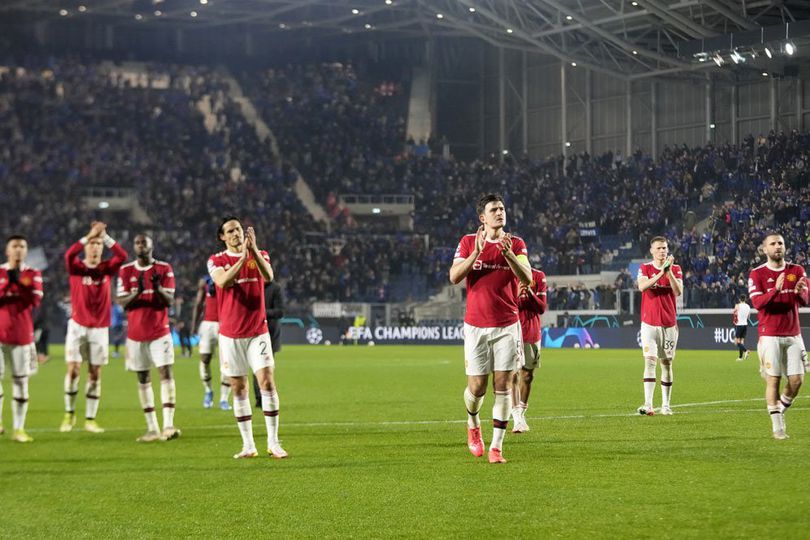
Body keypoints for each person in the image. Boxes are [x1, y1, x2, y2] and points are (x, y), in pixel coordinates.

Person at [449, 193, 531, 464]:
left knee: (504, 384)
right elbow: (454, 277)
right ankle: (473, 423)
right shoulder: (468, 242)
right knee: (477, 387)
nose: (500, 212)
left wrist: (509, 255)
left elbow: (528, 278)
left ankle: (496, 447)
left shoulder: (516, 243)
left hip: (508, 325)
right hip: (475, 326)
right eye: (494, 209)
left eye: (502, 208)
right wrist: (476, 252)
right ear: (482, 217)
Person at [208, 217, 287, 459]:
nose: (235, 234)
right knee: (239, 388)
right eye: (230, 231)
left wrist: (252, 252)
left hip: (257, 331)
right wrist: (243, 259)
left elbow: (269, 276)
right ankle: (248, 445)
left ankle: (273, 442)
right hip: (230, 335)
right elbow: (222, 281)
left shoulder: (259, 253)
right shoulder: (216, 260)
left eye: (238, 229)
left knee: (267, 382)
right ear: (222, 237)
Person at [61, 221, 127, 434]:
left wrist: (105, 236)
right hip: (77, 326)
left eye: (99, 244)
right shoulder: (77, 267)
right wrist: (89, 235)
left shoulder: (107, 269)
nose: (96, 246)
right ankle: (69, 414)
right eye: (93, 243)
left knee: (95, 373)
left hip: (99, 328)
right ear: (87, 246)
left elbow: (122, 256)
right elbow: (69, 255)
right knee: (73, 371)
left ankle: (90, 419)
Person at [117, 234, 180, 442]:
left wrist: (157, 288)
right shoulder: (126, 270)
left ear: (152, 245)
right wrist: (140, 292)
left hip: (159, 332)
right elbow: (123, 302)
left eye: (144, 242)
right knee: (143, 378)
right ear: (134, 246)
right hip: (135, 335)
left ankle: (168, 425)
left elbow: (169, 300)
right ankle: (152, 428)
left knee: (165, 372)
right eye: (137, 242)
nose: (141, 245)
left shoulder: (164, 269)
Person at [748, 233, 809, 439]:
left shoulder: (797, 270)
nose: (777, 247)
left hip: (793, 333)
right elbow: (757, 303)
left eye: (781, 243)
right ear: (765, 249)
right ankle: (778, 428)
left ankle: (779, 409)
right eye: (773, 244)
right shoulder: (757, 274)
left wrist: (801, 292)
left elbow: (805, 300)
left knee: (797, 380)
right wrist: (776, 289)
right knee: (772, 380)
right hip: (769, 334)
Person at [0, 234, 43, 442]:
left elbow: (35, 300)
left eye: (22, 246)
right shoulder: (0, 272)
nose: (18, 249)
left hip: (21, 336)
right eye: (15, 246)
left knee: (20, 382)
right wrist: (9, 284)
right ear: (8, 250)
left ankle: (19, 429)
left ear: (26, 251)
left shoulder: (33, 273)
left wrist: (20, 285)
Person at [636, 236, 683, 416]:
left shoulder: (676, 269)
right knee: (649, 362)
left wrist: (668, 272)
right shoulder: (645, 268)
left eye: (664, 248)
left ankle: (666, 405)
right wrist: (660, 273)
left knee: (666, 364)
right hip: (649, 324)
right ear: (652, 250)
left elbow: (678, 291)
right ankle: (648, 404)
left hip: (669, 324)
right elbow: (642, 287)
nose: (662, 251)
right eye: (659, 248)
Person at [511, 267, 547, 433]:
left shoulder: (538, 276)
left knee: (527, 375)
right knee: (513, 374)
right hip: (511, 331)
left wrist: (530, 293)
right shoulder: (508, 274)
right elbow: (505, 304)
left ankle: (522, 413)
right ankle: (516, 416)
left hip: (532, 332)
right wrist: (517, 294)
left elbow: (541, 308)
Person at [191, 275, 231, 410]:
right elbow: (198, 304)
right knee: (205, 358)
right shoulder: (205, 281)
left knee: (227, 361)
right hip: (208, 324)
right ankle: (208, 391)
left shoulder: (230, 278)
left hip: (226, 323)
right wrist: (194, 326)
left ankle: (224, 399)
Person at [252, 280, 284, 408]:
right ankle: (259, 398)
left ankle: (265, 395)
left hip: (270, 334)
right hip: (253, 332)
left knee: (266, 368)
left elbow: (280, 312)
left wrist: (262, 313)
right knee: (256, 367)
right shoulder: (252, 285)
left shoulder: (275, 288)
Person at [732, 294, 751, 361]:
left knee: (736, 342)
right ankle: (740, 357)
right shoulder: (748, 306)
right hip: (745, 325)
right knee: (741, 341)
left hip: (739, 325)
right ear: (745, 299)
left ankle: (746, 351)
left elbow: (734, 313)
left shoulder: (737, 306)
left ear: (739, 299)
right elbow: (748, 317)